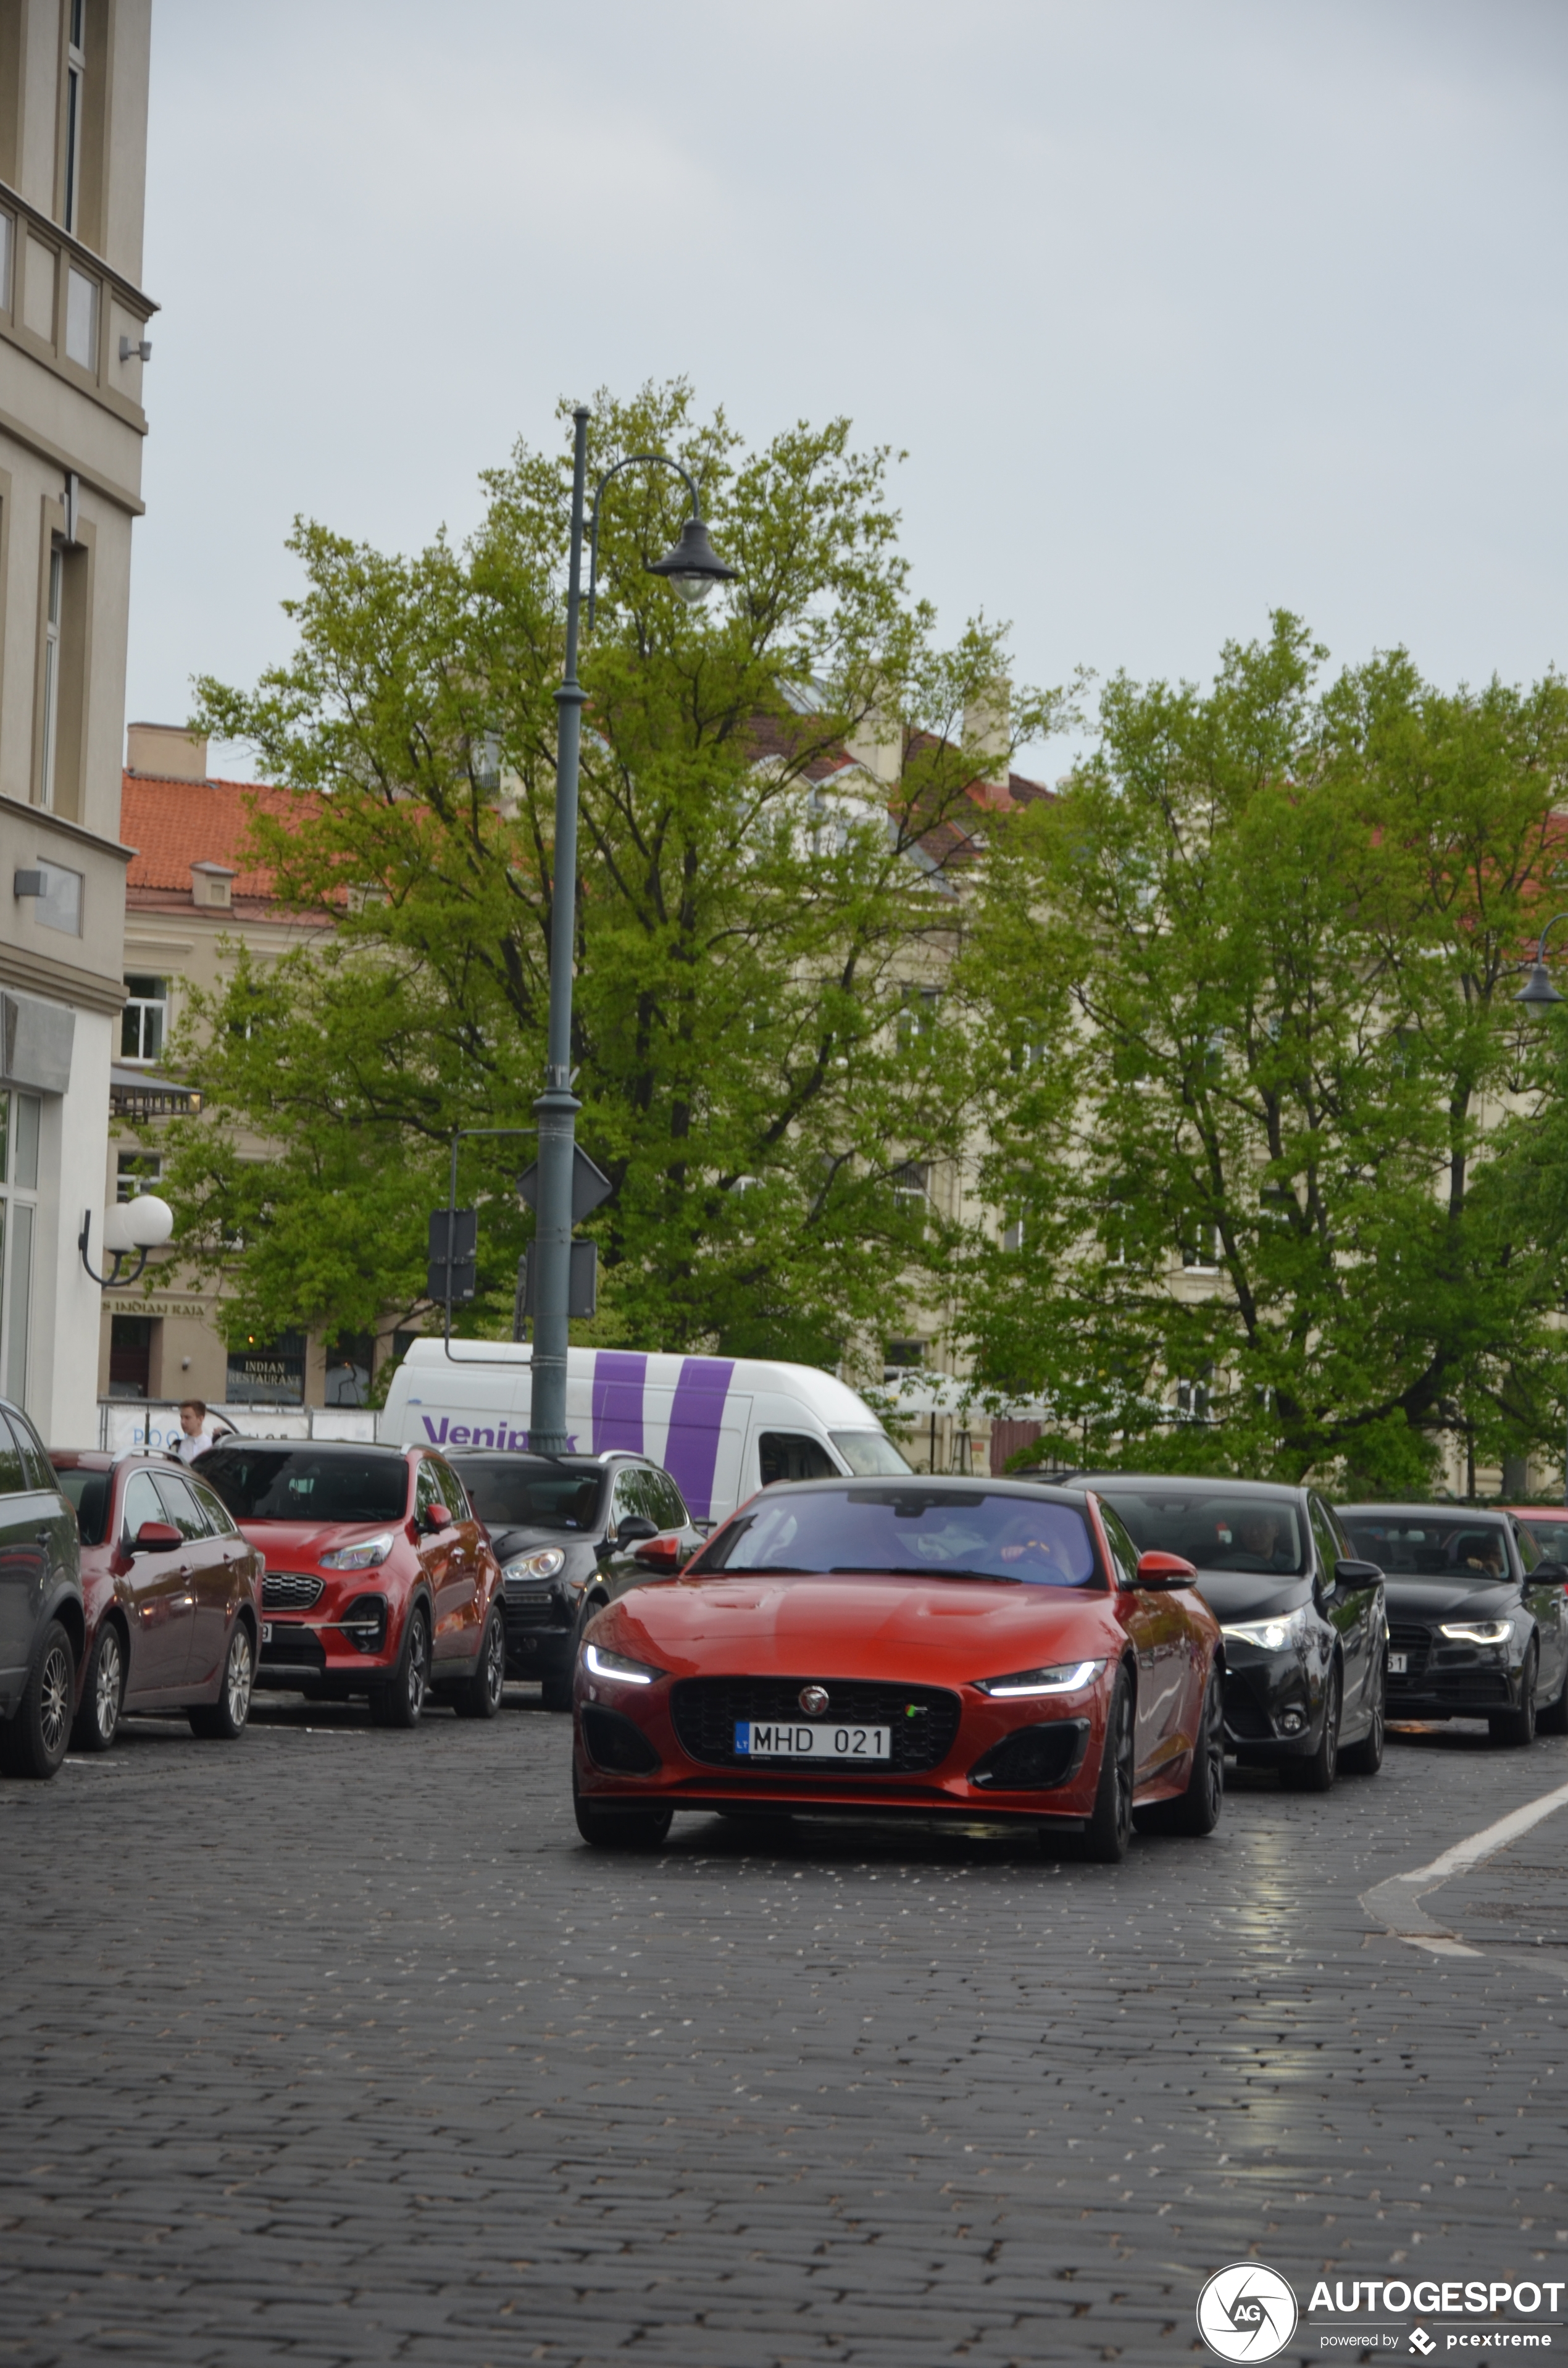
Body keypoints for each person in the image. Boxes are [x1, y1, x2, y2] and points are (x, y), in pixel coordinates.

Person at [175, 1400, 217, 1465]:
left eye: (187, 1418)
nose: (182, 1422)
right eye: (181, 1417)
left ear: (200, 1419)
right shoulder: (176, 1447)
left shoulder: (212, 1445)